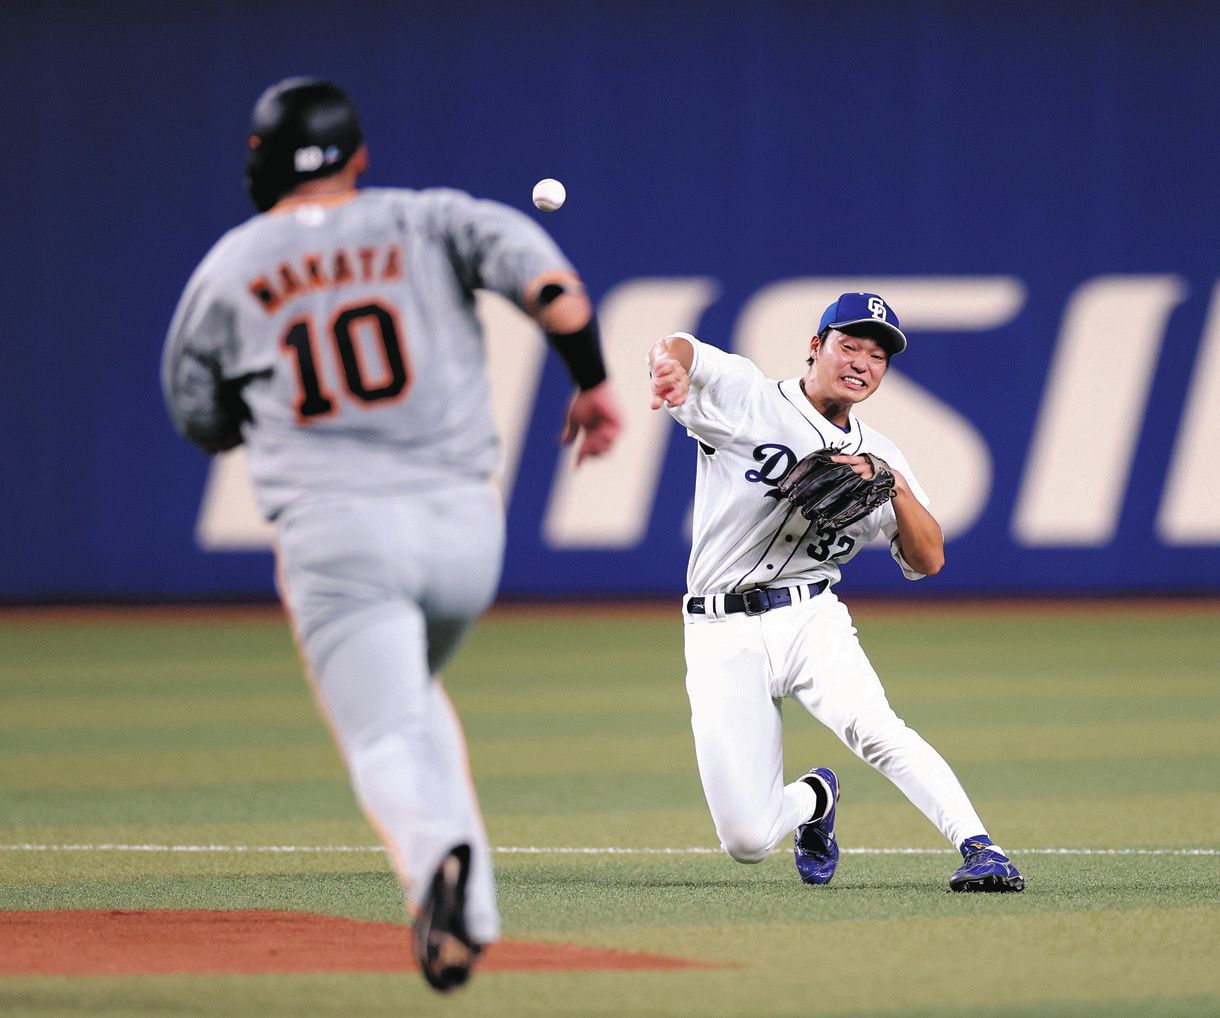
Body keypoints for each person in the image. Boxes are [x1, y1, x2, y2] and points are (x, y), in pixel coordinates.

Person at [162, 78, 623, 992]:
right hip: (463, 526)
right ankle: (475, 906)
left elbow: (200, 416)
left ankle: (433, 861)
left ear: (260, 164)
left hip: (338, 534)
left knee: (380, 734)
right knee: (414, 690)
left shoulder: (226, 267)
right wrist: (593, 380)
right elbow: (556, 293)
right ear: (358, 158)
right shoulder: (429, 217)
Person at [646, 292, 1023, 893]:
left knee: (876, 727)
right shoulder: (750, 398)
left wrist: (892, 482)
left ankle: (981, 848)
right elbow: (683, 350)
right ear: (816, 346)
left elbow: (929, 558)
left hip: (810, 618)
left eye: (878, 355)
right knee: (746, 840)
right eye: (849, 345)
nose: (862, 363)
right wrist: (668, 364)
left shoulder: (882, 455)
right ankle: (816, 797)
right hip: (720, 630)